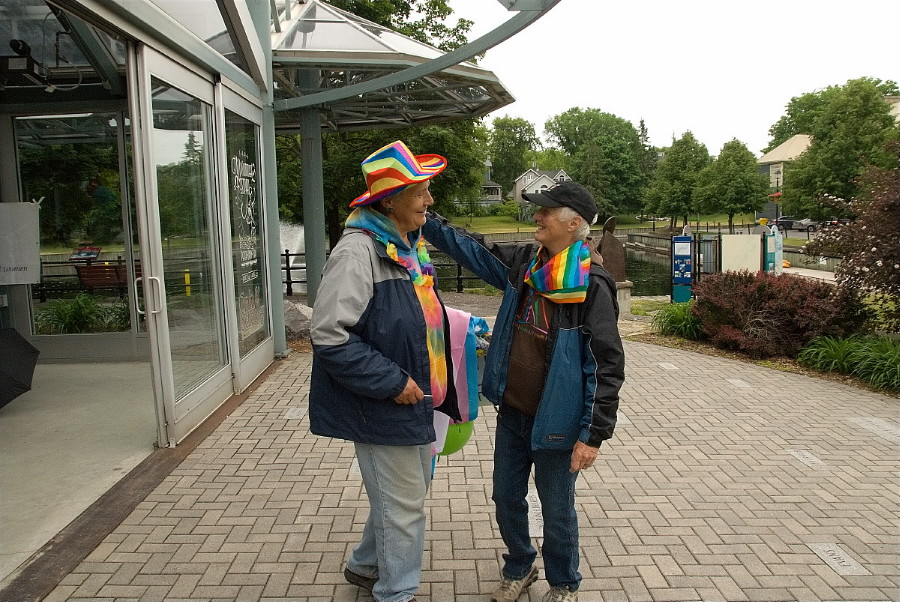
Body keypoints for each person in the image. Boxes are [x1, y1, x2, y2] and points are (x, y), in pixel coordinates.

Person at [422, 181, 625, 602]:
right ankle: (519, 566)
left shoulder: (593, 285)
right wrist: (427, 218)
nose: (537, 215)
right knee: (505, 497)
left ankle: (565, 583)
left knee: (556, 509)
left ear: (573, 224)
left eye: (546, 210)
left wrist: (593, 434)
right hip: (513, 412)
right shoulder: (525, 267)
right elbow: (472, 249)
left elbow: (607, 366)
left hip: (558, 422)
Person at [309, 140, 457, 602]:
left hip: (419, 400)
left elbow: (414, 316)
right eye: (421, 193)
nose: (430, 202)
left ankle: (365, 565)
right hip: (385, 403)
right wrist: (392, 382)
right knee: (404, 509)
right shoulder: (359, 253)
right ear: (390, 200)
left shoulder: (406, 248)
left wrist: (459, 336)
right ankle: (396, 592)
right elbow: (329, 333)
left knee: (401, 500)